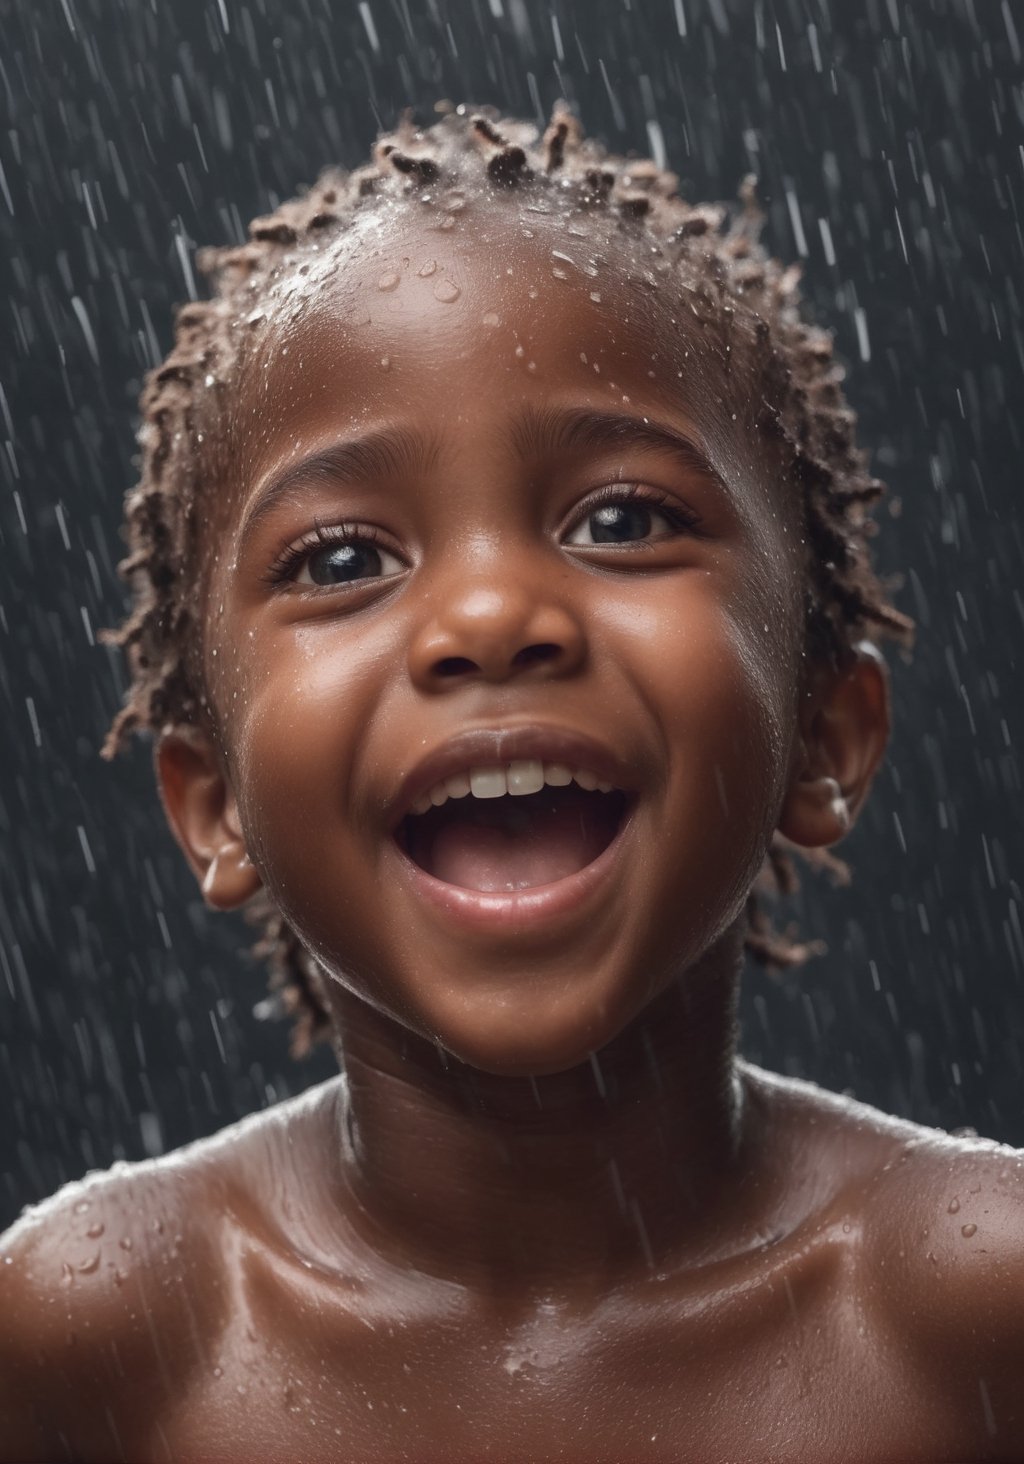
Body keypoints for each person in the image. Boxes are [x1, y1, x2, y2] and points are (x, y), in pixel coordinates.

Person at [1, 103, 1021, 1462]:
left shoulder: (972, 1313)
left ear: (826, 736)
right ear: (215, 805)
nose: (489, 613)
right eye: (343, 559)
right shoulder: (107, 1336)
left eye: (623, 520)